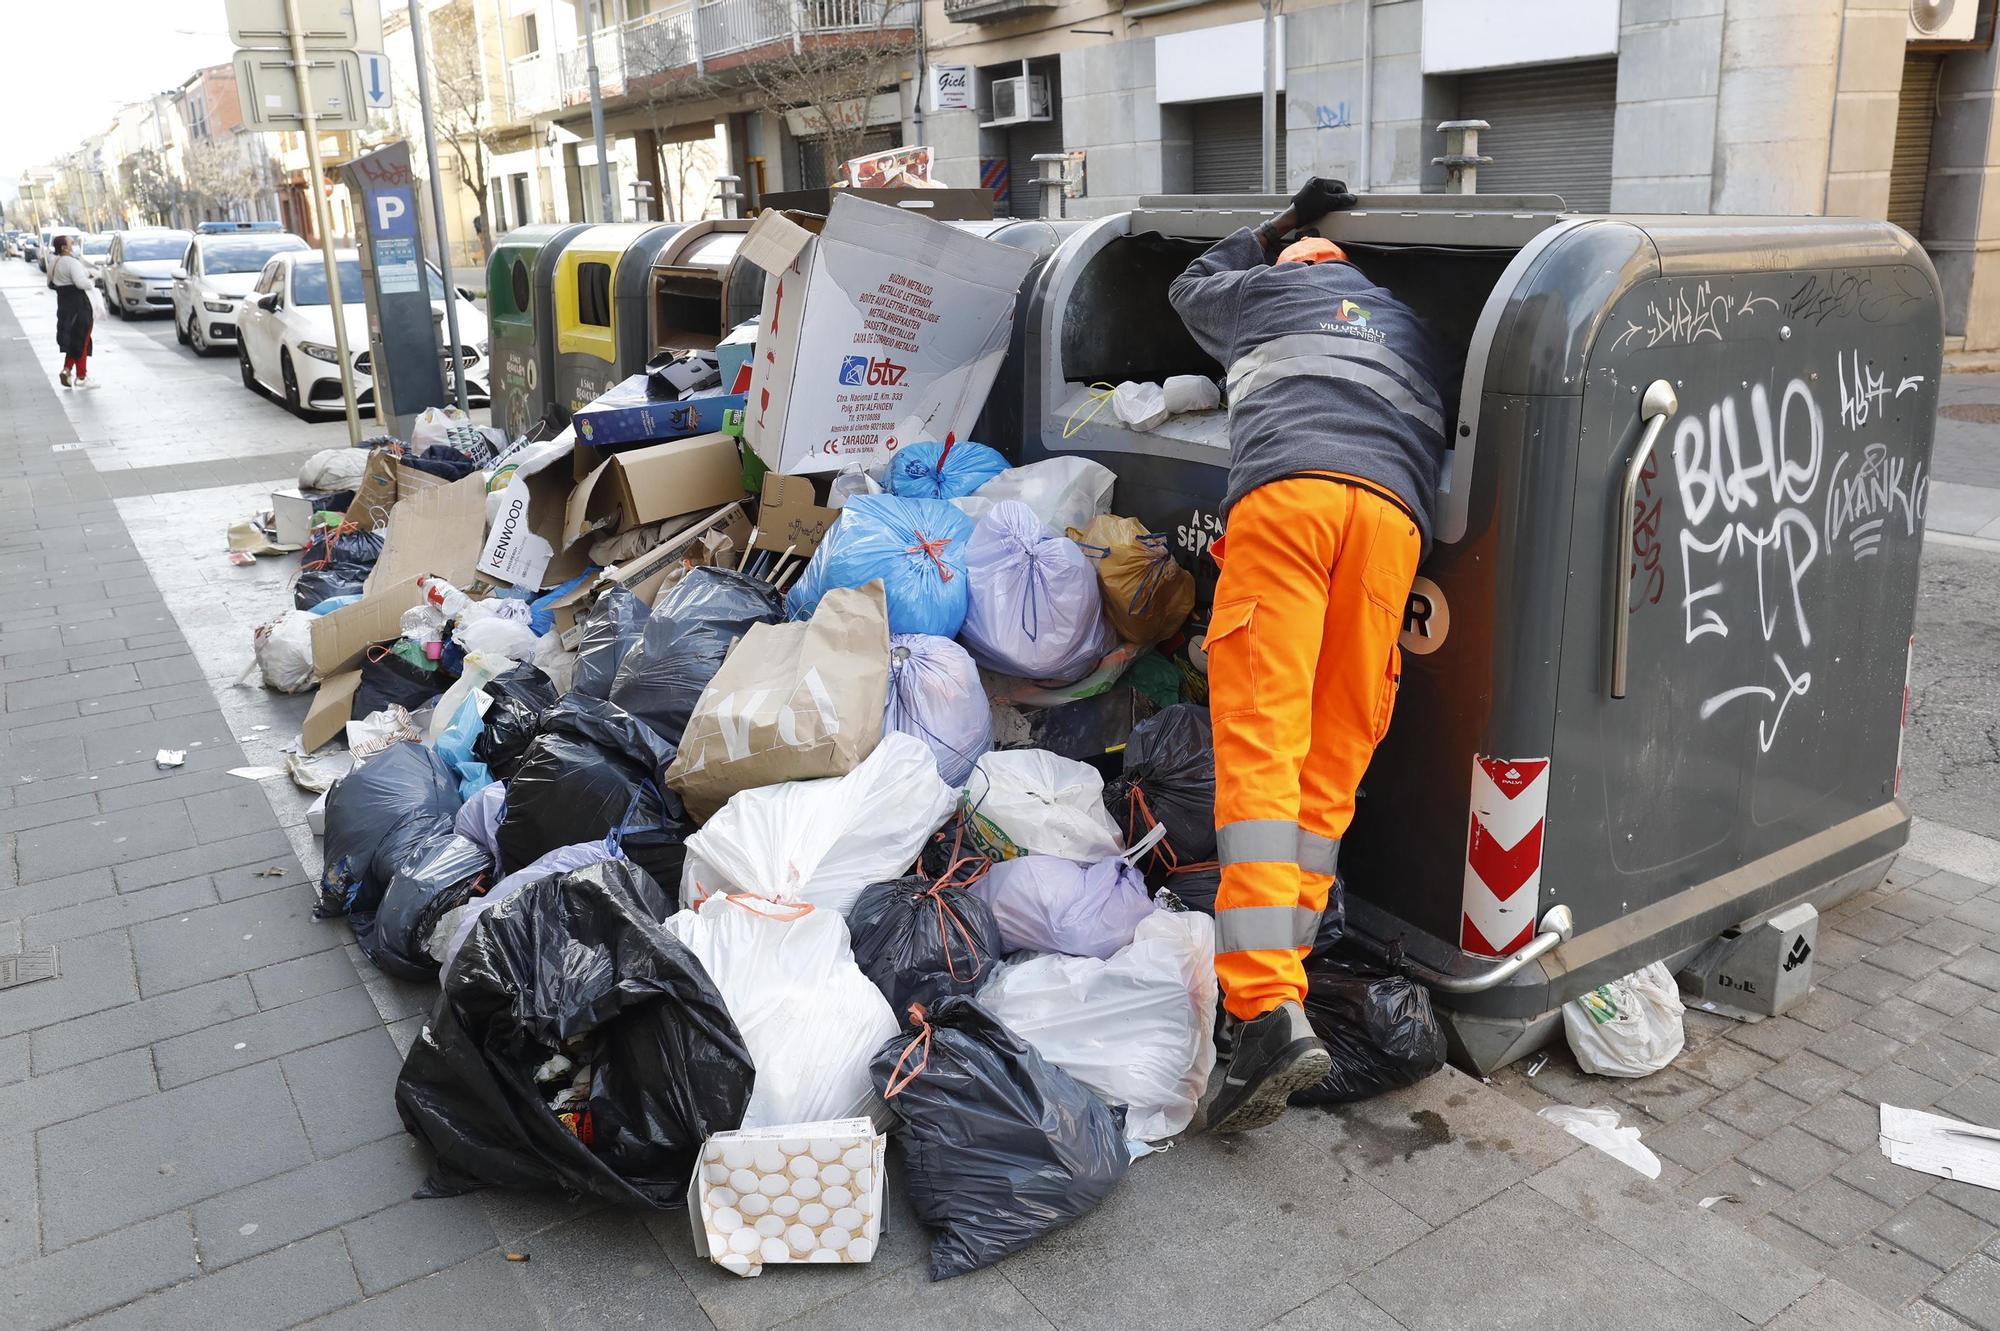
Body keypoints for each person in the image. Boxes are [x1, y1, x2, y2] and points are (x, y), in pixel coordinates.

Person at [1169, 178, 1451, 1133]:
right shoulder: (1408, 324)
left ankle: (1259, 1011)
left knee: (1262, 749)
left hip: (1287, 503)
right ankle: (1280, 987)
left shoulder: (1264, 289)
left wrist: (1268, 228)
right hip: (1389, 526)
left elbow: (1186, 287)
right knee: (1330, 762)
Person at [47, 235, 97, 389]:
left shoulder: (53, 262)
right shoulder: (71, 262)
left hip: (64, 305)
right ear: (64, 247)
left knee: (74, 339)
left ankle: (67, 370)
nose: (73, 244)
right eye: (71, 243)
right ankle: (81, 377)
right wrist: (92, 282)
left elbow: (50, 283)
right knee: (82, 340)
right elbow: (81, 283)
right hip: (79, 306)